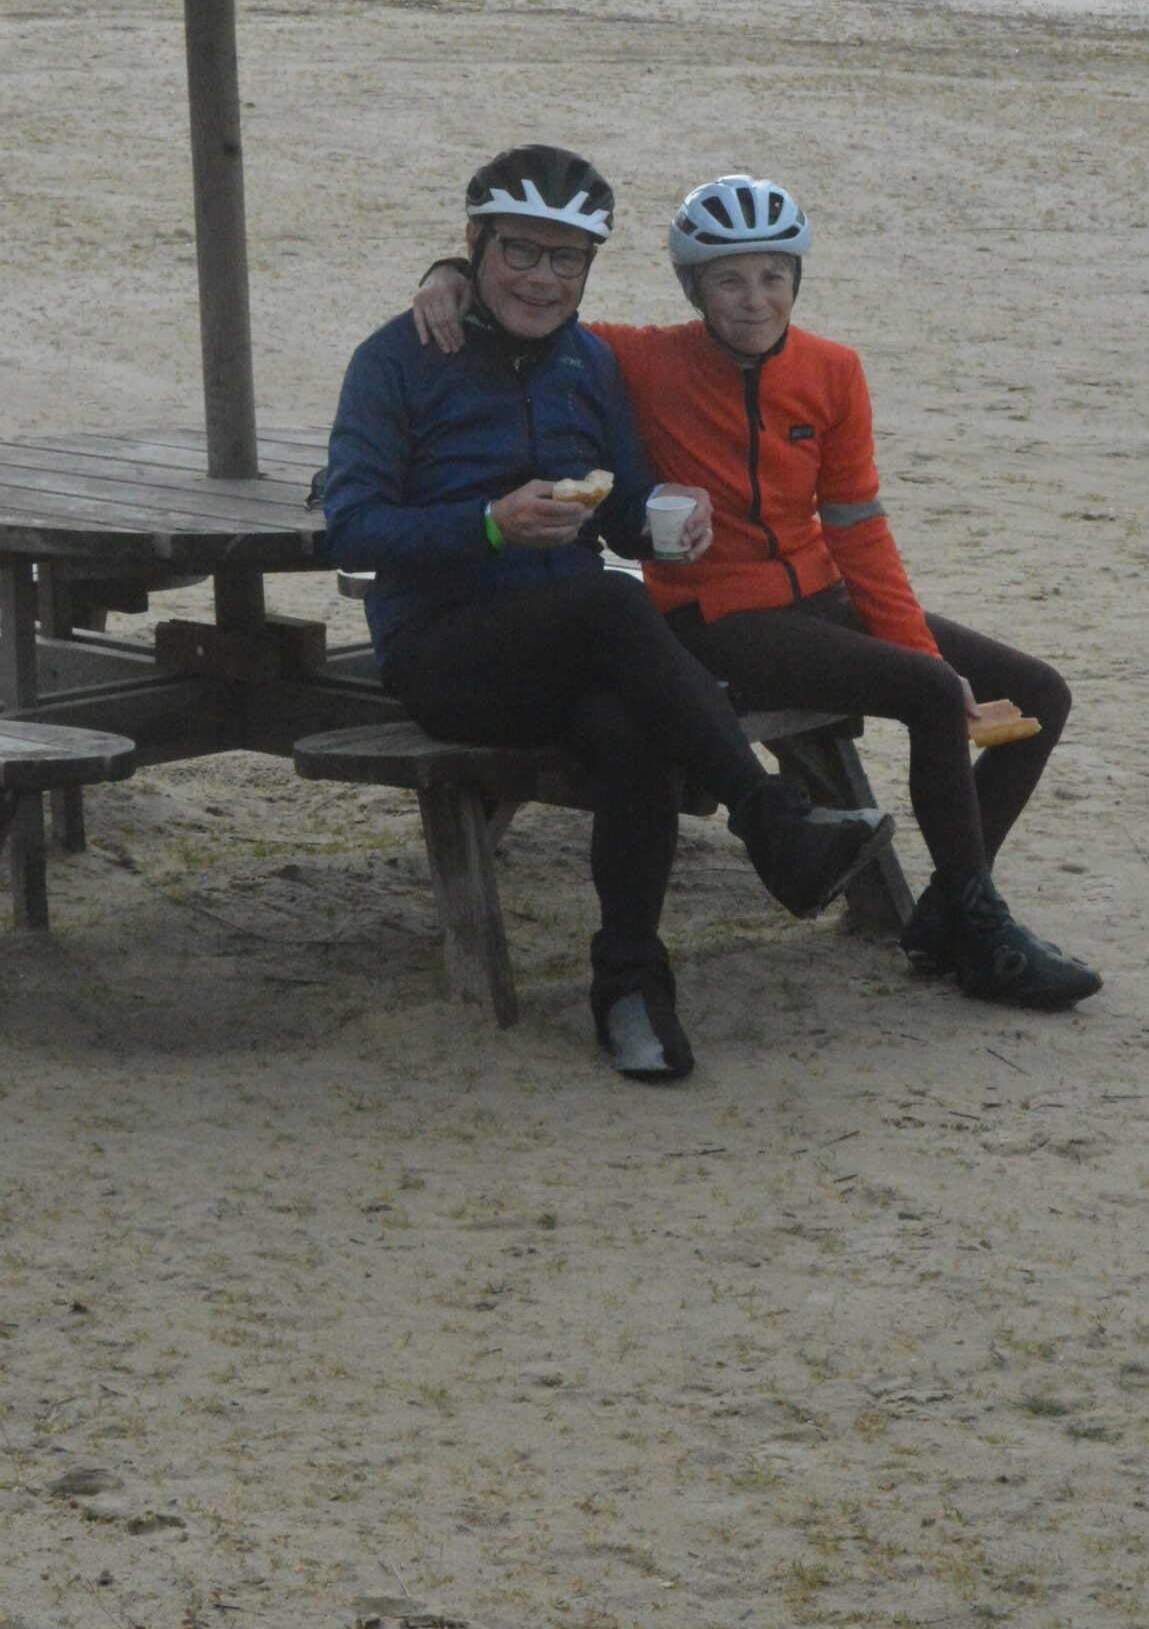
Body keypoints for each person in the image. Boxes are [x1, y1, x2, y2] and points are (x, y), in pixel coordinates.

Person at [413, 172, 1101, 1013]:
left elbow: (858, 531)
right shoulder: (641, 359)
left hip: (820, 595)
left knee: (1038, 693)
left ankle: (945, 915)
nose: (752, 299)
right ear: (692, 288)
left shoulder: (833, 370)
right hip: (716, 614)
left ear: (796, 279)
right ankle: (981, 933)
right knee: (928, 691)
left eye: (772, 276)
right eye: (727, 279)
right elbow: (534, 303)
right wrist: (451, 271)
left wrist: (914, 643)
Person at [322, 145, 896, 1084]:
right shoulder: (399, 358)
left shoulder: (587, 361)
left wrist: (671, 520)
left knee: (628, 721)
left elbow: (625, 510)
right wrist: (488, 525)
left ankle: (631, 987)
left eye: (566, 259)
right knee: (609, 601)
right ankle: (771, 821)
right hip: (444, 651)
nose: (542, 279)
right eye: (520, 251)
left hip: (579, 646)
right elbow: (350, 528)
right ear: (474, 245)